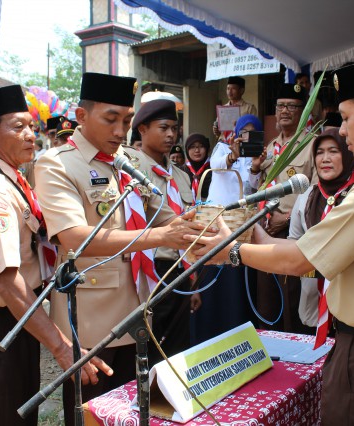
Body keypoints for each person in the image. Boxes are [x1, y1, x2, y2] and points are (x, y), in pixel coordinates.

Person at [189, 61, 354, 425]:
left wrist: (229, 250)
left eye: (345, 117)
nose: (341, 130)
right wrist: (252, 230)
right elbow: (316, 255)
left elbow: (300, 259)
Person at [33, 72, 202, 425]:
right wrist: (161, 237)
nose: (119, 130)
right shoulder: (58, 163)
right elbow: (75, 238)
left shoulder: (125, 162)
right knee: (93, 415)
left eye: (126, 120)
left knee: (132, 415)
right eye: (110, 119)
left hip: (138, 314)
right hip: (93, 323)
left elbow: (165, 215)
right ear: (81, 117)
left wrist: (209, 228)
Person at [0, 85, 110, 426]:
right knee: (7, 417)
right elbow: (7, 282)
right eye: (17, 127)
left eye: (32, 127)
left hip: (14, 317)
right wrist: (62, 347)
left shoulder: (9, 179)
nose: (29, 135)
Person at [131, 99, 197, 362]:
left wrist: (194, 284)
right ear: (143, 129)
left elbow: (190, 226)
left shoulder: (181, 176)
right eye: (163, 128)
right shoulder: (131, 168)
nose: (171, 134)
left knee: (177, 350)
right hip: (149, 271)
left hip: (180, 269)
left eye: (174, 128)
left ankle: (171, 401)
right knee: (148, 348)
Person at [248, 83, 316, 332]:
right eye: (280, 106)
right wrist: (255, 169)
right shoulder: (269, 147)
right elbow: (256, 188)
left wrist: (287, 218)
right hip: (265, 231)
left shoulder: (312, 145)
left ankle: (294, 358)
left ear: (303, 112)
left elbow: (315, 193)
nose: (285, 111)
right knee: (266, 302)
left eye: (292, 106)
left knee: (291, 299)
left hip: (292, 233)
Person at [191, 114, 261, 344]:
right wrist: (233, 155)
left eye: (253, 132)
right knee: (213, 275)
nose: (246, 136)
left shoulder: (256, 157)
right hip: (216, 222)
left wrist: (256, 167)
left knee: (236, 285)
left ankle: (238, 332)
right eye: (244, 132)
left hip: (240, 226)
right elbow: (216, 167)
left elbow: (253, 188)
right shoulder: (222, 148)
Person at [287, 128, 354, 337]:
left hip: (352, 306)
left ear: (347, 153)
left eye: (333, 151)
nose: (325, 159)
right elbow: (294, 240)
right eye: (320, 152)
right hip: (312, 301)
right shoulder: (307, 195)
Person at [212, 76, 257, 141]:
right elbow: (219, 134)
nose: (229, 92)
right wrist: (217, 131)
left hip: (240, 143)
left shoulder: (249, 108)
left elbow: (254, 129)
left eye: (233, 89)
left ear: (241, 90)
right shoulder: (223, 109)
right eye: (228, 88)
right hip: (224, 144)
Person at [182, 133, 211, 202]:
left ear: (207, 149)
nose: (197, 150)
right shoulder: (181, 171)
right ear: (187, 150)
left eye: (201, 146)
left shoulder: (214, 170)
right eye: (192, 147)